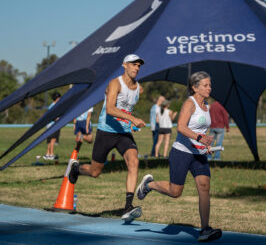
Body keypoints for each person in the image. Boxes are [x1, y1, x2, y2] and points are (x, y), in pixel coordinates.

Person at [136, 71, 222, 242]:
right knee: (176, 192)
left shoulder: (206, 106)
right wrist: (199, 138)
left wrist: (206, 144)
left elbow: (201, 131)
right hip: (181, 151)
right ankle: (149, 185)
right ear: (194, 87)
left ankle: (205, 229)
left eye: (210, 85)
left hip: (199, 154)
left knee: (204, 187)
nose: (209, 88)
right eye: (206, 85)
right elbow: (181, 127)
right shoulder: (189, 104)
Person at [68, 54, 146, 222]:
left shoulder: (139, 89)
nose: (136, 68)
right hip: (106, 131)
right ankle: (76, 169)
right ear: (124, 64)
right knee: (95, 172)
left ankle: (128, 207)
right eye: (133, 64)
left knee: (134, 162)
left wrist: (131, 123)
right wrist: (132, 119)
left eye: (139, 65)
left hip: (124, 133)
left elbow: (126, 110)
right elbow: (110, 109)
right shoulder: (115, 83)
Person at [43, 91, 61, 161]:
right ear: (57, 98)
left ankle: (47, 154)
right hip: (52, 125)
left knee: (49, 141)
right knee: (53, 140)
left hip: (49, 125)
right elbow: (53, 117)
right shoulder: (54, 106)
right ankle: (51, 154)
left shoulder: (51, 105)